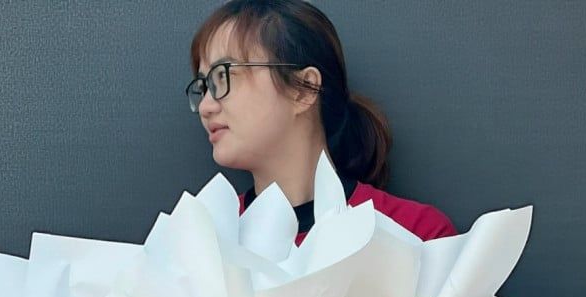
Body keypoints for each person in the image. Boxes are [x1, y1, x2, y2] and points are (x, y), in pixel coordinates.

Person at [186, 0, 459, 247]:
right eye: (203, 86)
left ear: (303, 89)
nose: (206, 107)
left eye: (223, 77)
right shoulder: (203, 242)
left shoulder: (416, 235)